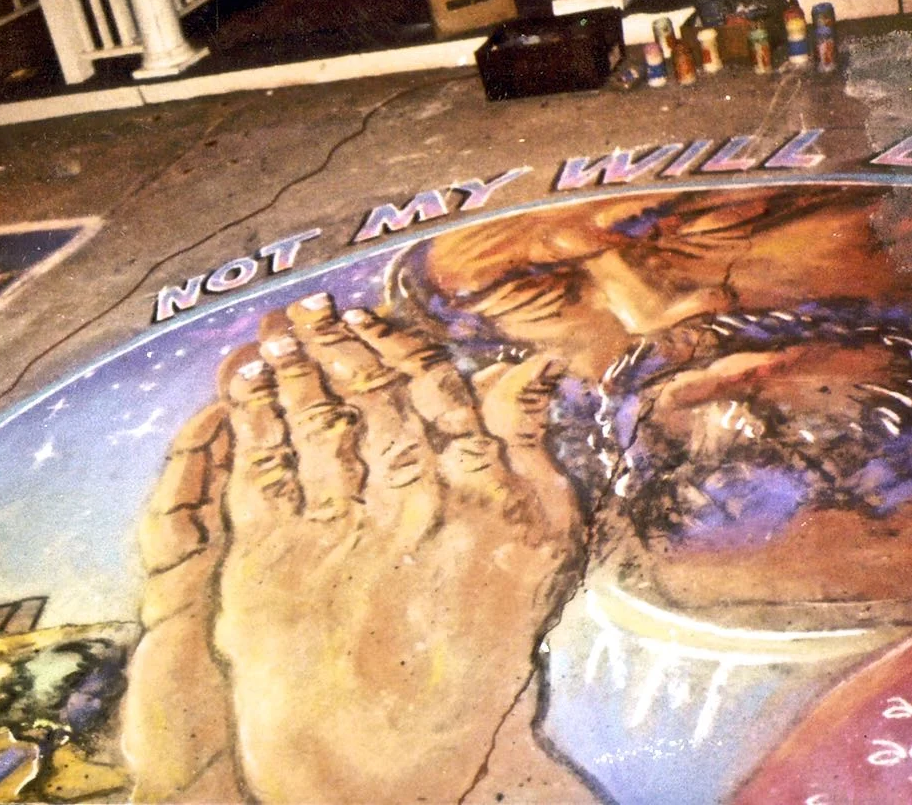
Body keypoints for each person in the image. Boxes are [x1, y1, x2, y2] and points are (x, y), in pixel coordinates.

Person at [122, 183, 912, 803]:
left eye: (709, 230)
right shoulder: (427, 618)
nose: (649, 312)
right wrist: (201, 777)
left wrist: (387, 778)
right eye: (533, 290)